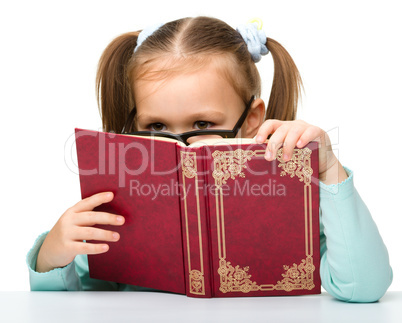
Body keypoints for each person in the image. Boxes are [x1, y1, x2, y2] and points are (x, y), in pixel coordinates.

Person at [26, 16, 392, 302]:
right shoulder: (122, 204)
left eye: (202, 123)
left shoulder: (298, 193)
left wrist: (328, 168)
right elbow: (65, 304)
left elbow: (363, 288)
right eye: (155, 125)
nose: (179, 144)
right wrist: (52, 253)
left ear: (252, 117)